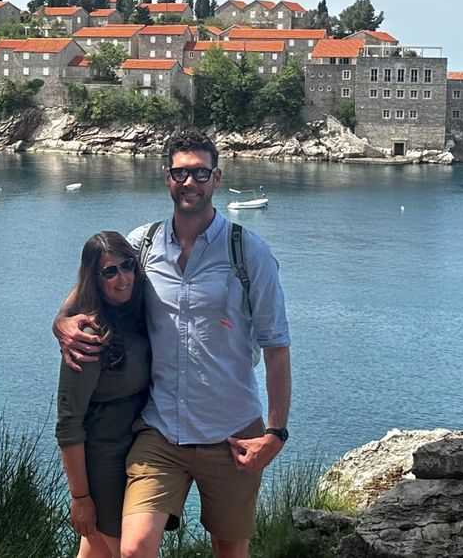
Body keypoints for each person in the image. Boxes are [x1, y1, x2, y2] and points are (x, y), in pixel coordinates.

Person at [56, 129, 292, 558]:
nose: (190, 182)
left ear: (216, 178)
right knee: (134, 550)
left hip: (233, 433)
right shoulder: (143, 245)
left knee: (230, 551)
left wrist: (275, 433)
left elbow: (276, 348)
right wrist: (61, 320)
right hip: (161, 431)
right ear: (167, 178)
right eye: (181, 173)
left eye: (200, 173)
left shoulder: (248, 252)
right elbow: (93, 278)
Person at [56, 231, 151, 558]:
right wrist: (80, 498)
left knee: (98, 551)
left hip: (136, 453)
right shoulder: (87, 336)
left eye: (127, 266)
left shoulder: (136, 312)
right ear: (94, 279)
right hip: (104, 463)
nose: (122, 277)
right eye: (110, 271)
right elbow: (68, 424)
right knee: (124, 549)